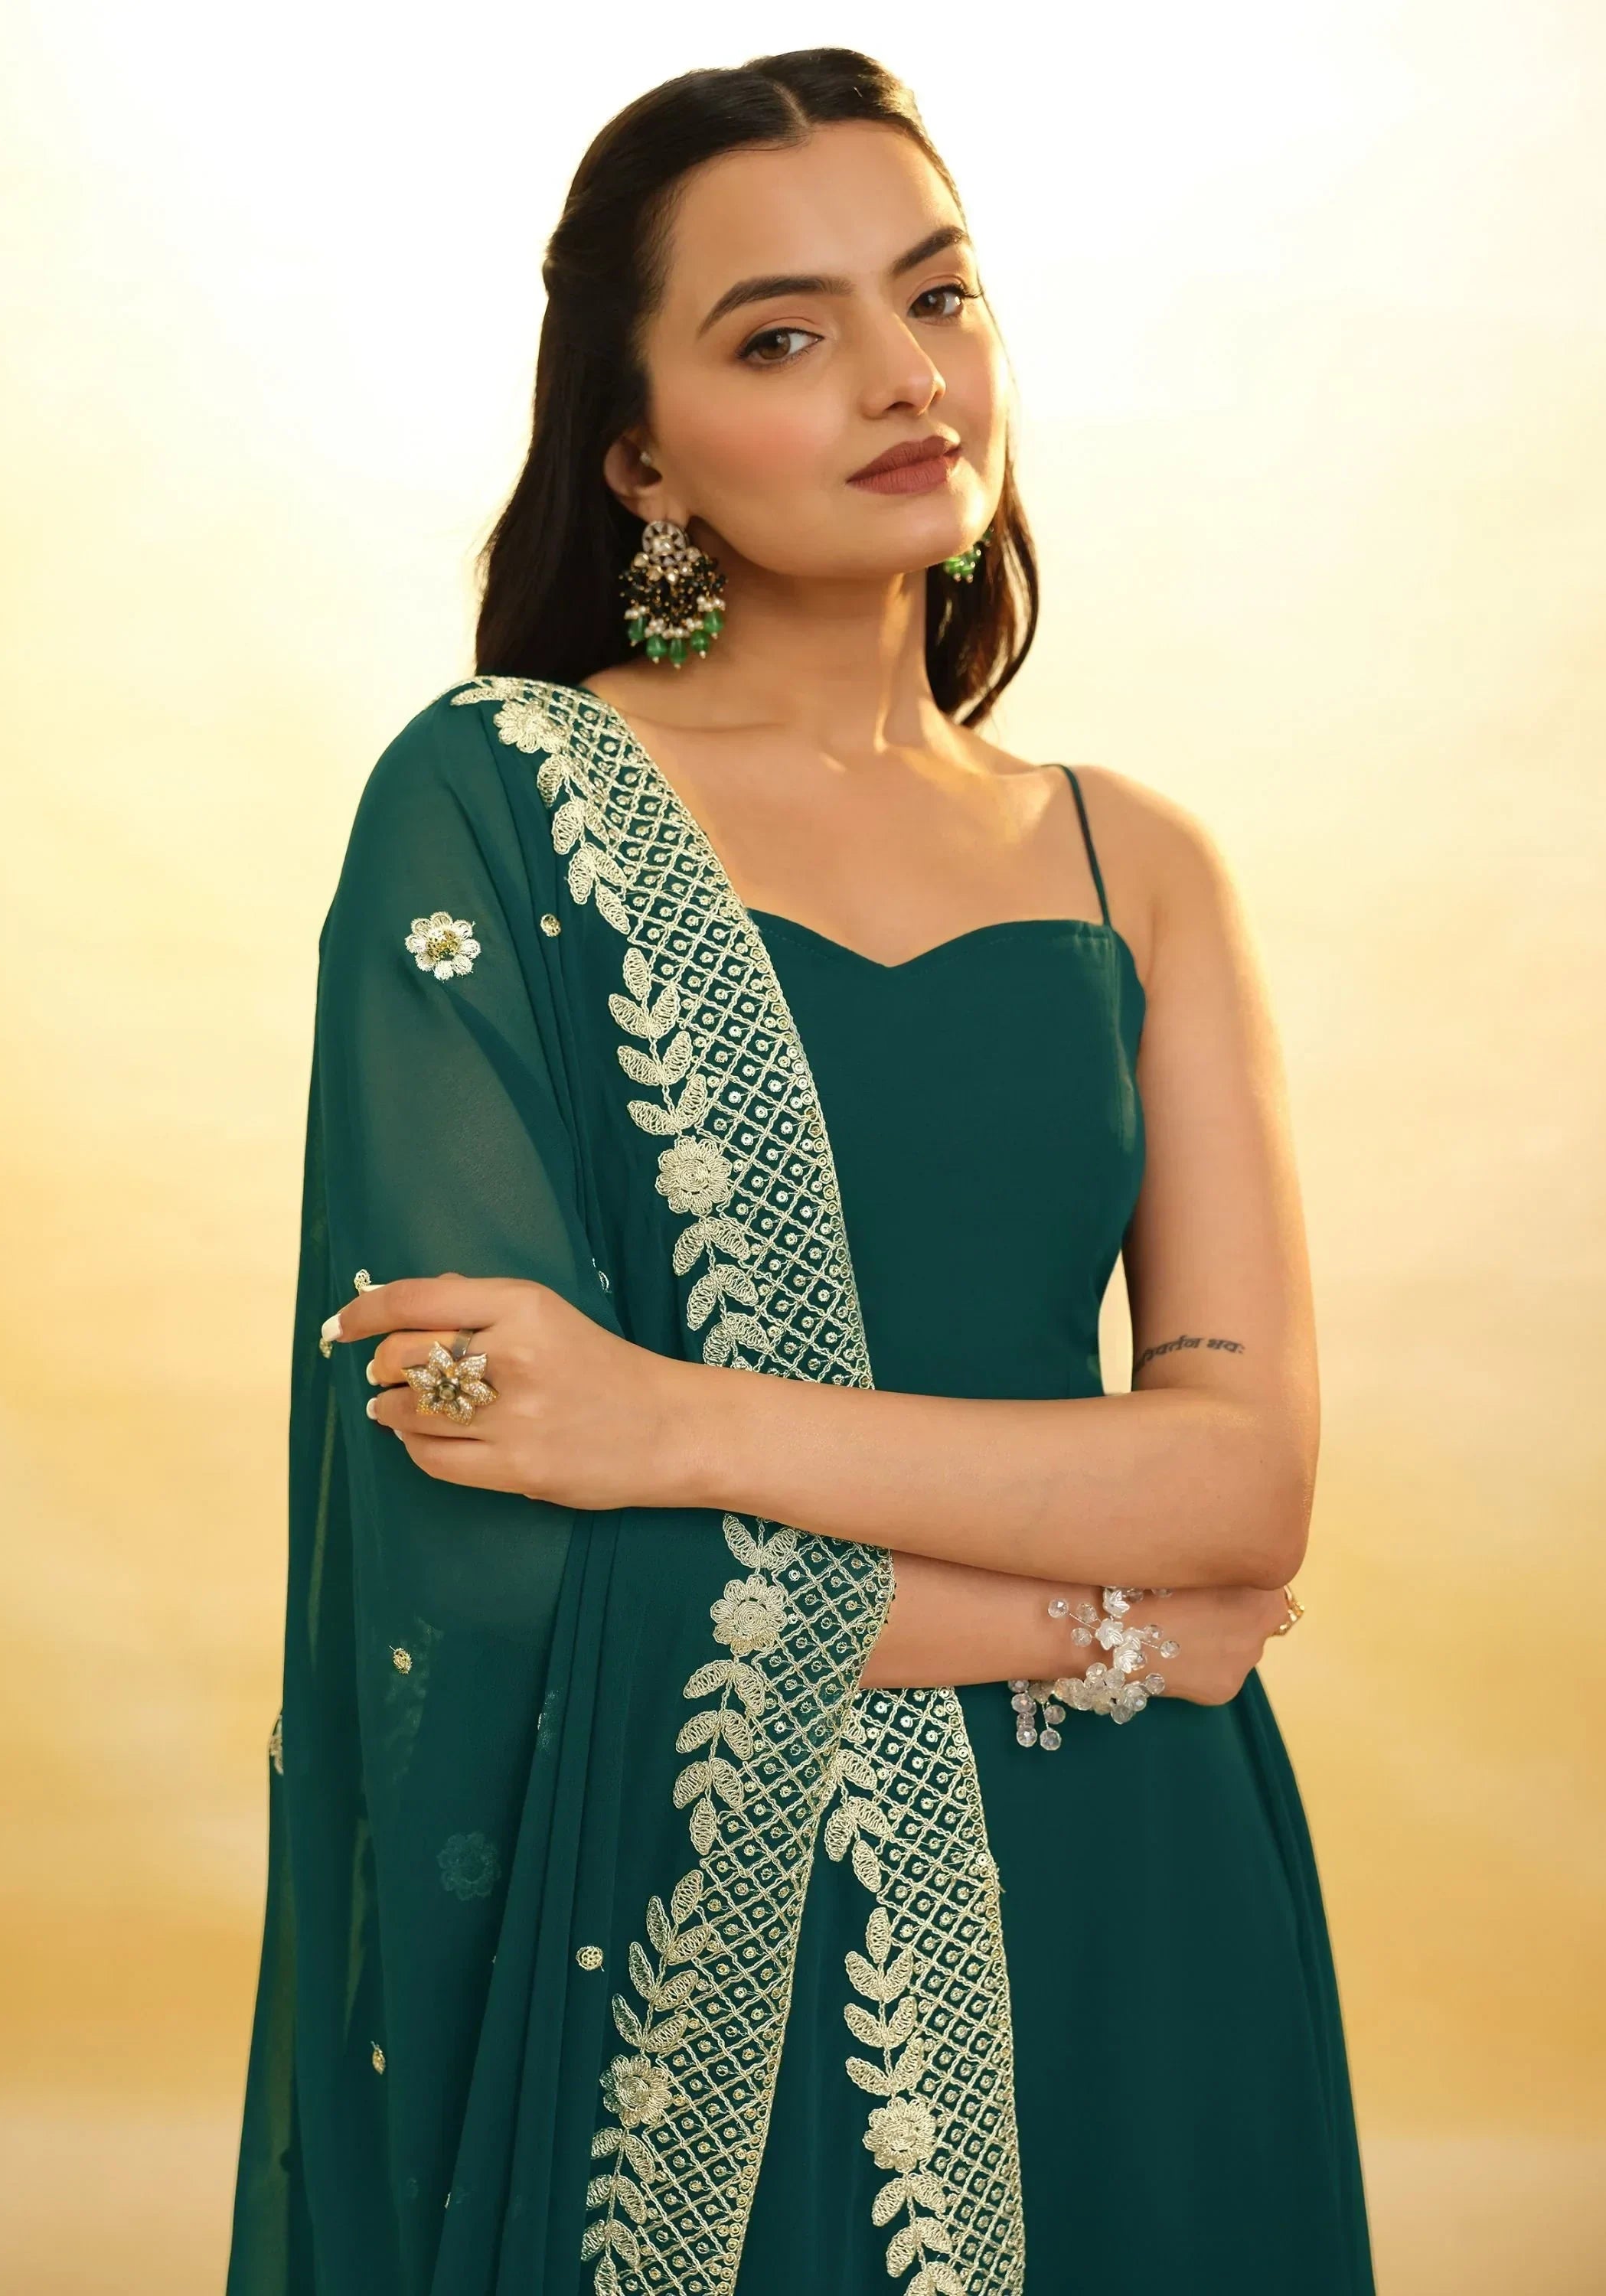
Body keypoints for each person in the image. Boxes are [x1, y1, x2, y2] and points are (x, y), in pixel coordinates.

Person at [226, 46, 1376, 2296]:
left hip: (1145, 1897)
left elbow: (1242, 1487)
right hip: (698, 1925)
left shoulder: (1130, 861)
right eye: (781, 335)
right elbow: (477, 1505)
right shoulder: (499, 805)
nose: (900, 374)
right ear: (637, 453)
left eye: (935, 297)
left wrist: (665, 1425)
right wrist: (1090, 1628)